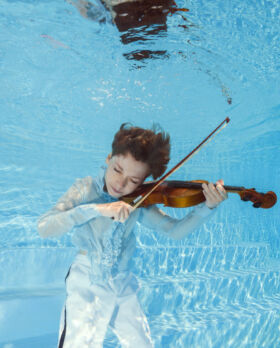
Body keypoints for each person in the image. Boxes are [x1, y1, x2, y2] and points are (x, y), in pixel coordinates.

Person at [37, 123, 227, 348]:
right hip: (87, 277)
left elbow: (174, 232)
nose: (121, 183)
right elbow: (45, 227)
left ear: (144, 181)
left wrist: (208, 208)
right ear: (109, 158)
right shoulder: (86, 189)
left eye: (134, 180)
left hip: (122, 281)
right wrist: (97, 210)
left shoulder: (140, 201)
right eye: (117, 170)